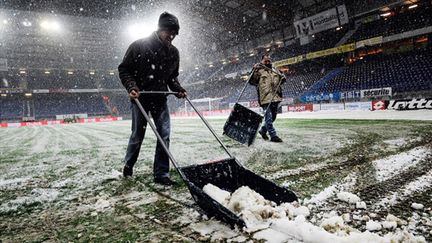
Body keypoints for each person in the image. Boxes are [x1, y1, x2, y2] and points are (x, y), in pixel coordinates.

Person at [118, 12, 187, 185]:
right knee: (137, 135)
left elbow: (172, 78)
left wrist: (178, 89)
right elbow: (124, 69)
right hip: (140, 97)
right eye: (168, 32)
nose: (171, 36)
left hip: (160, 99)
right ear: (160, 29)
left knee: (164, 134)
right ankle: (128, 164)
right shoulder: (139, 45)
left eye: (174, 33)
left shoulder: (174, 53)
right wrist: (132, 87)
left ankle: (161, 174)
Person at [249, 54, 286, 143]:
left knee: (273, 117)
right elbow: (251, 81)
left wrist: (283, 77)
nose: (267, 62)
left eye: (269, 60)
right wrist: (254, 70)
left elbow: (281, 80)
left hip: (275, 97)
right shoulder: (259, 71)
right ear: (261, 61)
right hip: (265, 98)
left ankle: (263, 130)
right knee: (268, 118)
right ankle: (273, 135)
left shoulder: (274, 70)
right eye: (265, 61)